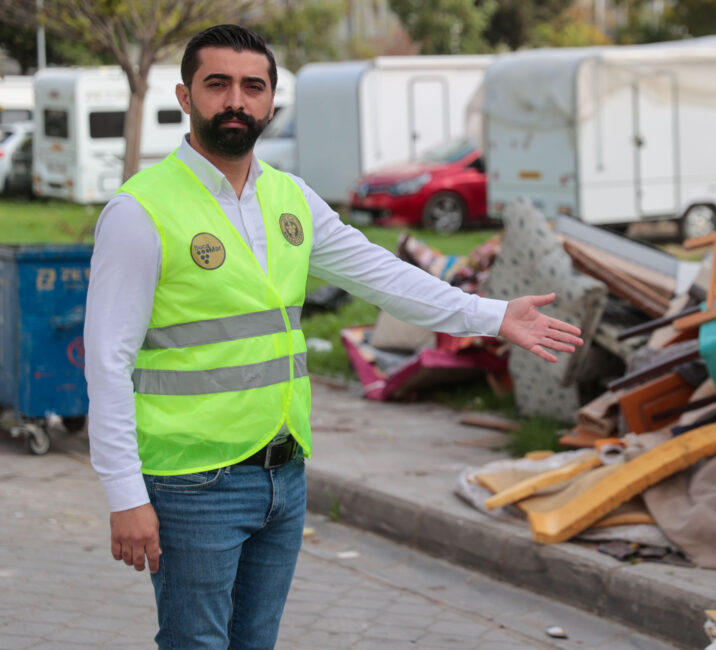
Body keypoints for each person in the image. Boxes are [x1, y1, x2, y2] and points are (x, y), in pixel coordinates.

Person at [84, 24, 583, 649]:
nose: (235, 100)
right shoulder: (140, 212)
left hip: (283, 476)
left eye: (252, 86)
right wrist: (125, 495)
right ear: (186, 97)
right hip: (193, 485)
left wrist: (490, 315)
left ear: (270, 103)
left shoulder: (290, 199)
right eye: (217, 84)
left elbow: (382, 275)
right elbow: (106, 364)